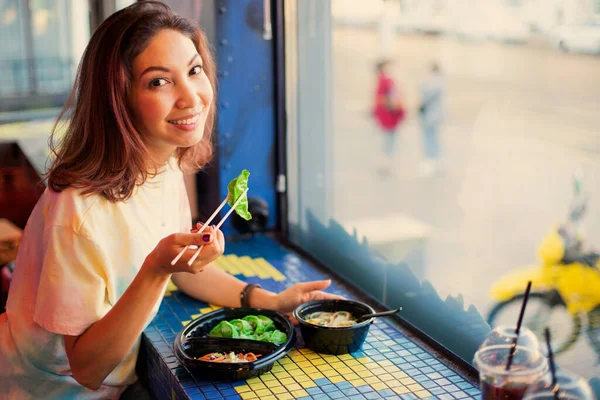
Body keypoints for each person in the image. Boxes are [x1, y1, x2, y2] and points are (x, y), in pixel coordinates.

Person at [0, 2, 341, 399]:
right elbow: (86, 368)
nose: (190, 97)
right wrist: (154, 271)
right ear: (117, 98)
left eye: (194, 71)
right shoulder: (78, 211)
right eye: (159, 82)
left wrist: (271, 301)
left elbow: (178, 268)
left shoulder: (161, 162)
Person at [372, 59, 406, 176]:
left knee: (387, 140)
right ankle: (386, 164)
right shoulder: (387, 81)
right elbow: (393, 98)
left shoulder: (381, 80)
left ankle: (385, 163)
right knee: (389, 141)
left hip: (386, 115)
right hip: (390, 115)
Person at [418, 62, 445, 177]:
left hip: (431, 115)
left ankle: (431, 159)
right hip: (433, 115)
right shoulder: (439, 81)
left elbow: (427, 95)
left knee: (430, 137)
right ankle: (434, 159)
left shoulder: (435, 82)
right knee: (432, 136)